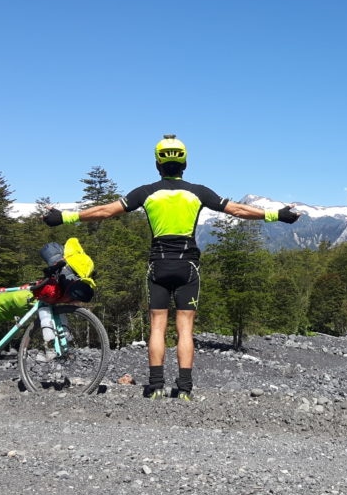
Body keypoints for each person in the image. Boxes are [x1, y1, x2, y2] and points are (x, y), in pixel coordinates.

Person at [43, 134, 300, 401]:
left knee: (157, 326)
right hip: (188, 266)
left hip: (158, 265)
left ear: (157, 164)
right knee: (185, 328)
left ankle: (155, 387)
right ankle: (185, 389)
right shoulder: (198, 192)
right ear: (185, 164)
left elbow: (106, 211)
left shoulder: (146, 193)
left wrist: (62, 216)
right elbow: (237, 210)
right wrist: (277, 214)